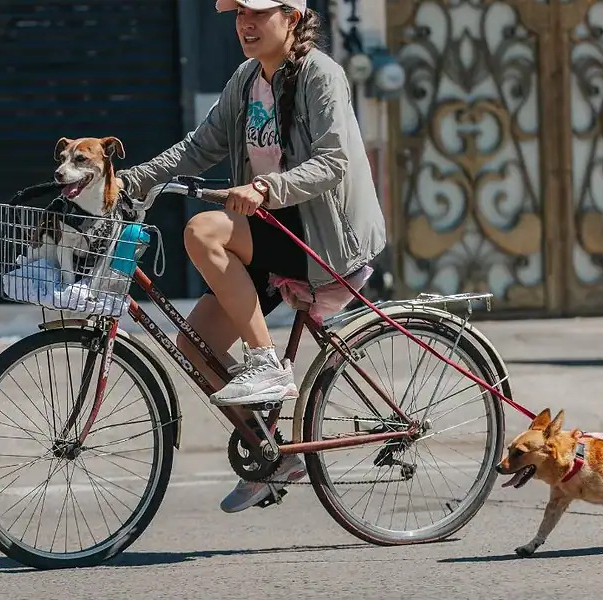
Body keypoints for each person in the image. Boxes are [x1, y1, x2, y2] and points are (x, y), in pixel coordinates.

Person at [114, 0, 386, 513]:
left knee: (203, 229)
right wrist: (131, 179)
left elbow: (334, 160)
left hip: (323, 238)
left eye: (257, 13)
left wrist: (266, 186)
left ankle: (266, 363)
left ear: (293, 17)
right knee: (194, 347)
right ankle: (271, 454)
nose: (245, 23)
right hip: (272, 234)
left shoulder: (321, 75)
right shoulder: (246, 80)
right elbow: (199, 148)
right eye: (238, 14)